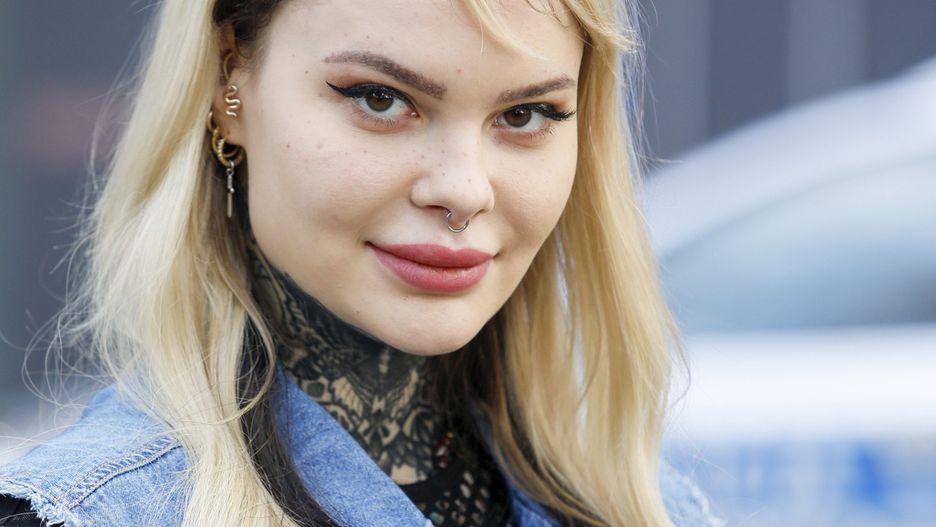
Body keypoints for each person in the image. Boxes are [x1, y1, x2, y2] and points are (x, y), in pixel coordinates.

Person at [0, 0, 720, 525]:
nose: (464, 190)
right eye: (381, 99)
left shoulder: (654, 509)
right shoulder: (96, 512)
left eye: (525, 114)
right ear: (229, 85)